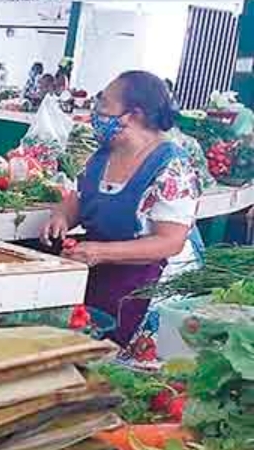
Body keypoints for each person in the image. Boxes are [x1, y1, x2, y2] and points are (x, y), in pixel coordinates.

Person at [41, 71, 202, 349]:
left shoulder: (172, 166)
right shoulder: (102, 154)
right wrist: (61, 216)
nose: (96, 112)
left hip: (153, 285)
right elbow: (80, 197)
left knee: (128, 368)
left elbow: (170, 242)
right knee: (93, 350)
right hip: (104, 272)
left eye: (103, 106)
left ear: (132, 115)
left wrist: (100, 252)